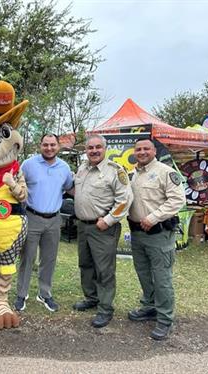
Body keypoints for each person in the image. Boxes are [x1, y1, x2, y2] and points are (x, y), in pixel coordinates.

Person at [127, 139, 186, 341]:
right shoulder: (133, 175)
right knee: (144, 274)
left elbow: (178, 200)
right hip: (137, 234)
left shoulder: (165, 172)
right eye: (138, 149)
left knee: (162, 279)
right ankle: (150, 307)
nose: (142, 152)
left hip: (159, 234)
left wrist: (153, 217)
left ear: (154, 151)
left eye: (146, 148)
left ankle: (165, 319)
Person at [72, 134, 133, 328]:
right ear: (86, 150)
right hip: (83, 225)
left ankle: (105, 308)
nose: (94, 151)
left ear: (105, 149)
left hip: (103, 229)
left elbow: (125, 200)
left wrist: (108, 220)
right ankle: (92, 298)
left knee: (104, 269)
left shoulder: (115, 171)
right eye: (90, 148)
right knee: (86, 264)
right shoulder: (82, 168)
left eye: (98, 147)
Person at [14, 134, 73, 312]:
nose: (49, 148)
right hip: (32, 217)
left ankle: (44, 293)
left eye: (52, 145)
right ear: (40, 146)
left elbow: (69, 187)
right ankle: (21, 294)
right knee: (27, 258)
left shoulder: (64, 167)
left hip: (54, 219)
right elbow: (17, 186)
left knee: (49, 259)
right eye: (45, 145)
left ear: (58, 146)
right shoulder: (28, 165)